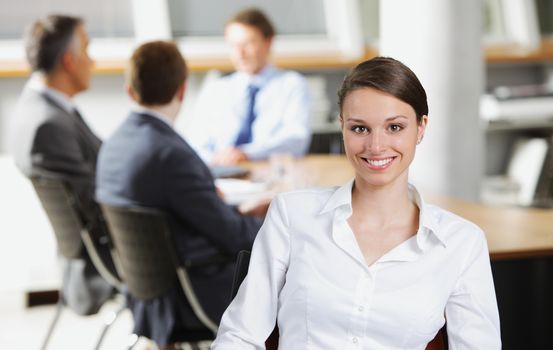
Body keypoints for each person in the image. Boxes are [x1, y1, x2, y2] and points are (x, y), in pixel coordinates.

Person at [211, 57, 501, 349]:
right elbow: (240, 337)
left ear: (421, 127)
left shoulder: (462, 244)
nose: (376, 146)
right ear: (342, 127)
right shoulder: (292, 215)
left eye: (395, 128)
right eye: (360, 128)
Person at [95, 40, 267, 348]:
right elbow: (233, 238)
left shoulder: (114, 146)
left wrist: (234, 211)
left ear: (130, 90)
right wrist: (278, 221)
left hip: (147, 290)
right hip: (194, 291)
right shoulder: (170, 154)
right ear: (183, 89)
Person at [11, 15, 114, 315]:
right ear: (69, 61)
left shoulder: (44, 109)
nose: (92, 62)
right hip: (109, 259)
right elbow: (97, 205)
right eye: (87, 51)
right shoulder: (48, 123)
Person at [186, 8, 311, 165]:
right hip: (222, 174)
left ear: (268, 42)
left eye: (248, 43)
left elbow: (296, 140)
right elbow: (194, 144)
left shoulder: (292, 84)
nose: (240, 53)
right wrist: (216, 159)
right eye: (233, 45)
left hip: (269, 173)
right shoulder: (216, 90)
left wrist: (246, 153)